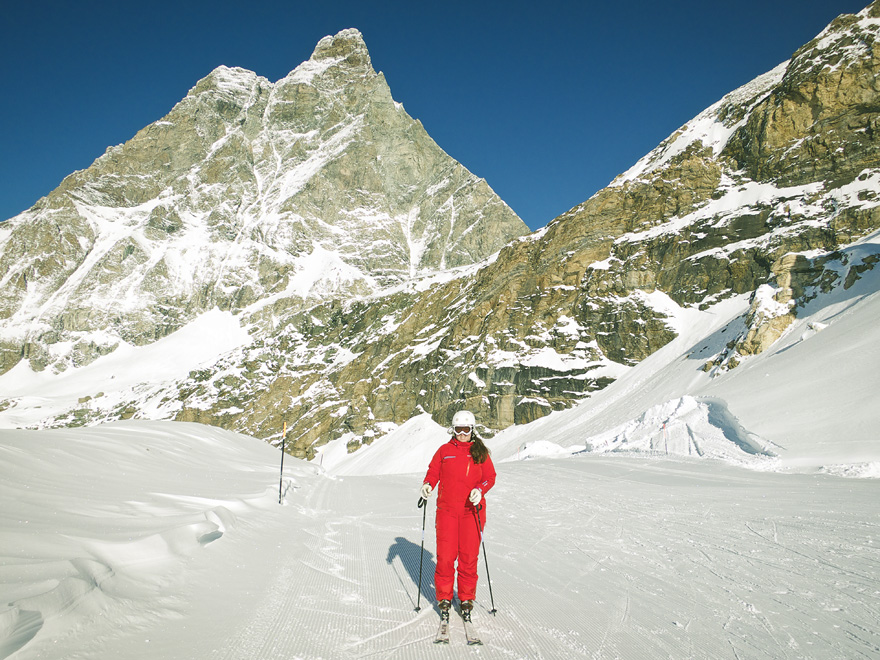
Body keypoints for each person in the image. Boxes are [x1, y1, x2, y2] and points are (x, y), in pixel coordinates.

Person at [420, 410, 496, 618]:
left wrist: (479, 490)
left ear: (472, 430)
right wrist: (428, 484)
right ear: (452, 430)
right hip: (447, 512)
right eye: (458, 429)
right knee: (445, 557)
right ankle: (444, 597)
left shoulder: (480, 452)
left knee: (468, 558)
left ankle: (465, 598)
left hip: (472, 512)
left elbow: (490, 477)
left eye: (466, 429)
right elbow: (434, 471)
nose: (462, 433)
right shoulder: (444, 451)